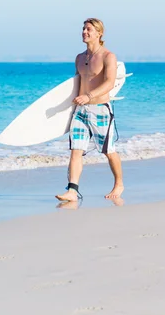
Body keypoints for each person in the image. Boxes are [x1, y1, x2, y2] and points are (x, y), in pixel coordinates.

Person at [55, 18, 124, 202]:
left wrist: (89, 96)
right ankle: (72, 190)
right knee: (76, 150)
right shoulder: (79, 58)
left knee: (108, 150)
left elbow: (109, 82)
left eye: (89, 29)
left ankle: (119, 184)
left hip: (100, 109)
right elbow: (76, 83)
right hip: (80, 110)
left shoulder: (108, 56)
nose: (84, 32)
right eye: (83, 29)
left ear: (99, 33)